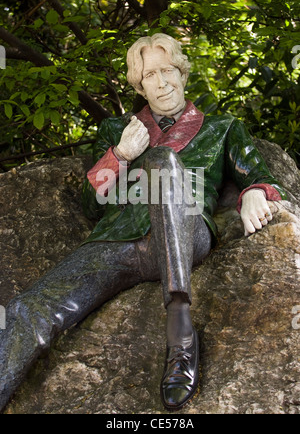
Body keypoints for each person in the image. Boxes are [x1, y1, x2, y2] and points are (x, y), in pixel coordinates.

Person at [0, 34, 286, 412]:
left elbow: (260, 174)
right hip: (116, 242)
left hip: (184, 232)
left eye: (168, 70)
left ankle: (180, 330)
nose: (162, 81)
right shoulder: (118, 130)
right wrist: (119, 154)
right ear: (139, 84)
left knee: (162, 163)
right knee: (27, 308)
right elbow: (92, 203)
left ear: (183, 74)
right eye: (150, 74)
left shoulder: (223, 126)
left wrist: (254, 192)